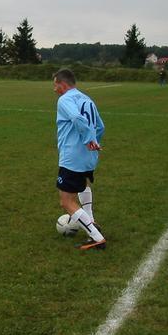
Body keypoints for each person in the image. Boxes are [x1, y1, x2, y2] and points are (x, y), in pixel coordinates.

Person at [53, 68, 106, 250]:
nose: (54, 89)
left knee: (66, 201)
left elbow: (76, 117)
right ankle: (90, 219)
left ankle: (96, 237)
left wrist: (88, 139)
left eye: (55, 85)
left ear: (63, 84)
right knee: (82, 185)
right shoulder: (87, 99)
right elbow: (101, 126)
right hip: (89, 156)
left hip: (72, 156)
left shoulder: (65, 99)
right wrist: (93, 142)